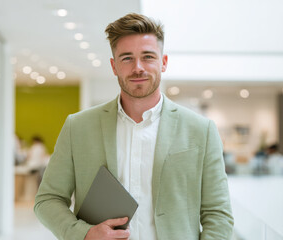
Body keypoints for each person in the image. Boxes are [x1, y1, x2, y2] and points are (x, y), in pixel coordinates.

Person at [34, 13, 234, 240]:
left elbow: (218, 214)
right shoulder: (77, 127)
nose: (138, 67)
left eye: (148, 56)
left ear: (164, 62)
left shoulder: (201, 130)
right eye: (127, 58)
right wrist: (85, 234)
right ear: (114, 66)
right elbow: (47, 200)